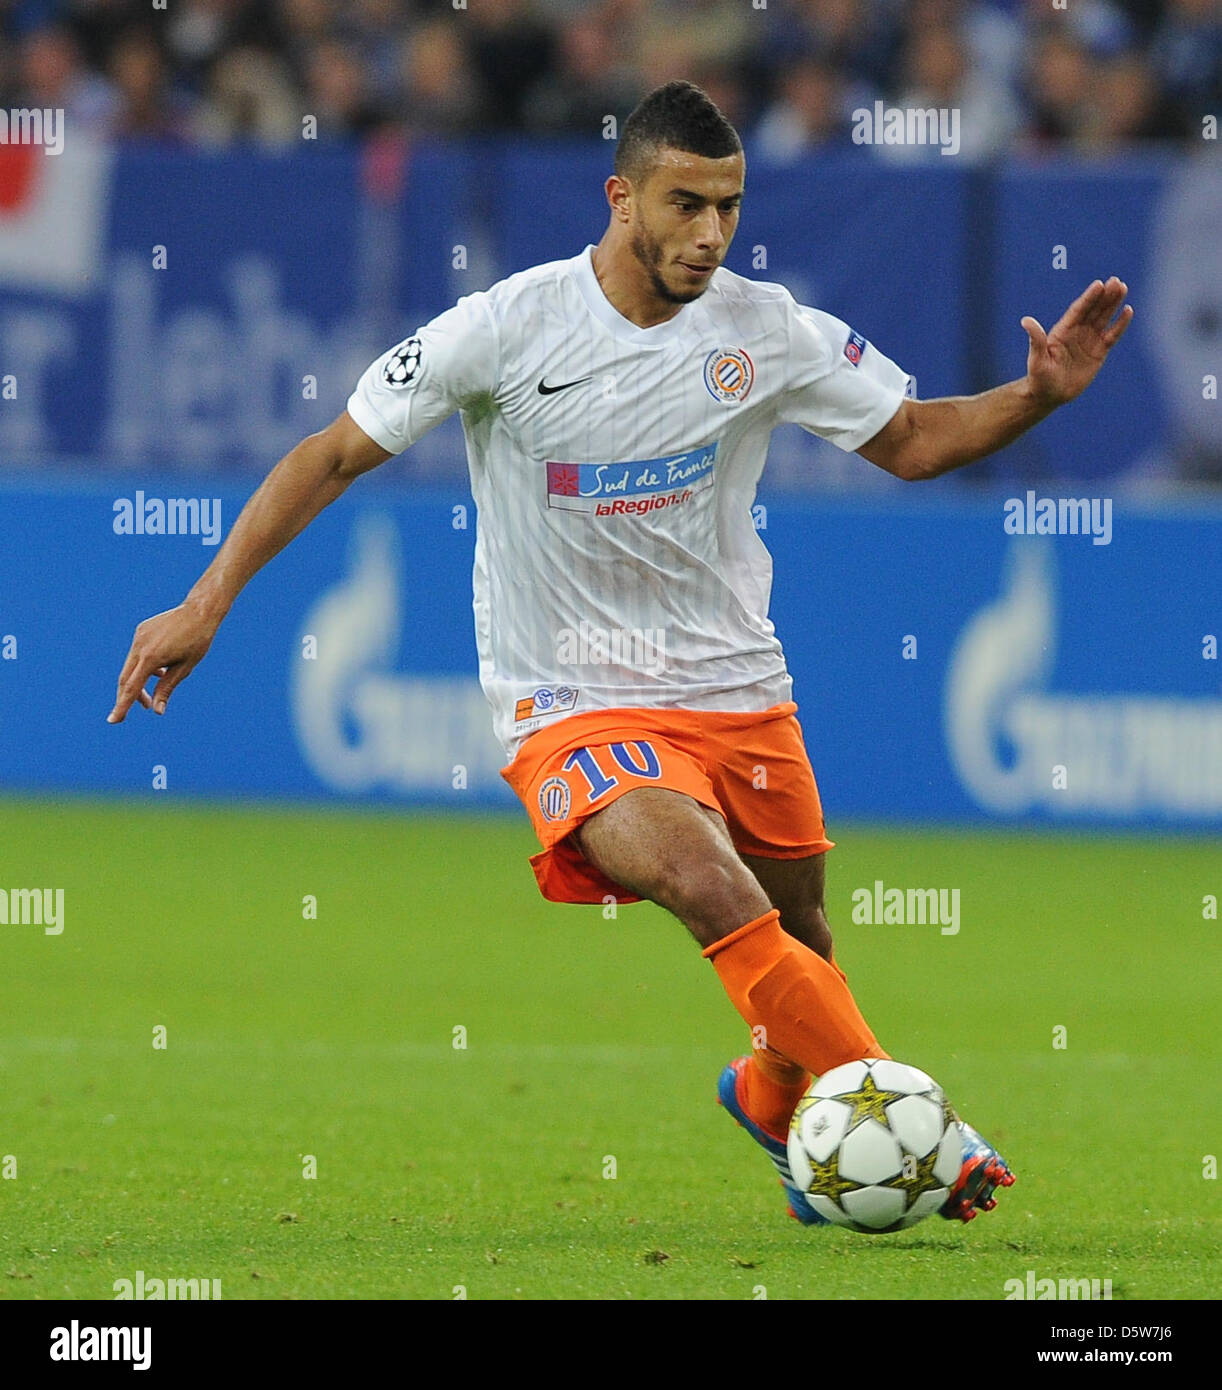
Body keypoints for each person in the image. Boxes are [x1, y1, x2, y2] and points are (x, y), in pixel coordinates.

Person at [109, 81, 1132, 1225]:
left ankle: (770, 1093)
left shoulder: (766, 328)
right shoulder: (506, 326)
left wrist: (1036, 397)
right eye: (684, 204)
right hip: (569, 697)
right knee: (705, 882)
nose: (708, 234)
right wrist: (206, 600)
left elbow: (911, 438)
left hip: (734, 685)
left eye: (727, 208)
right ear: (620, 196)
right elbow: (332, 453)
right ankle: (917, 1130)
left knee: (799, 936)